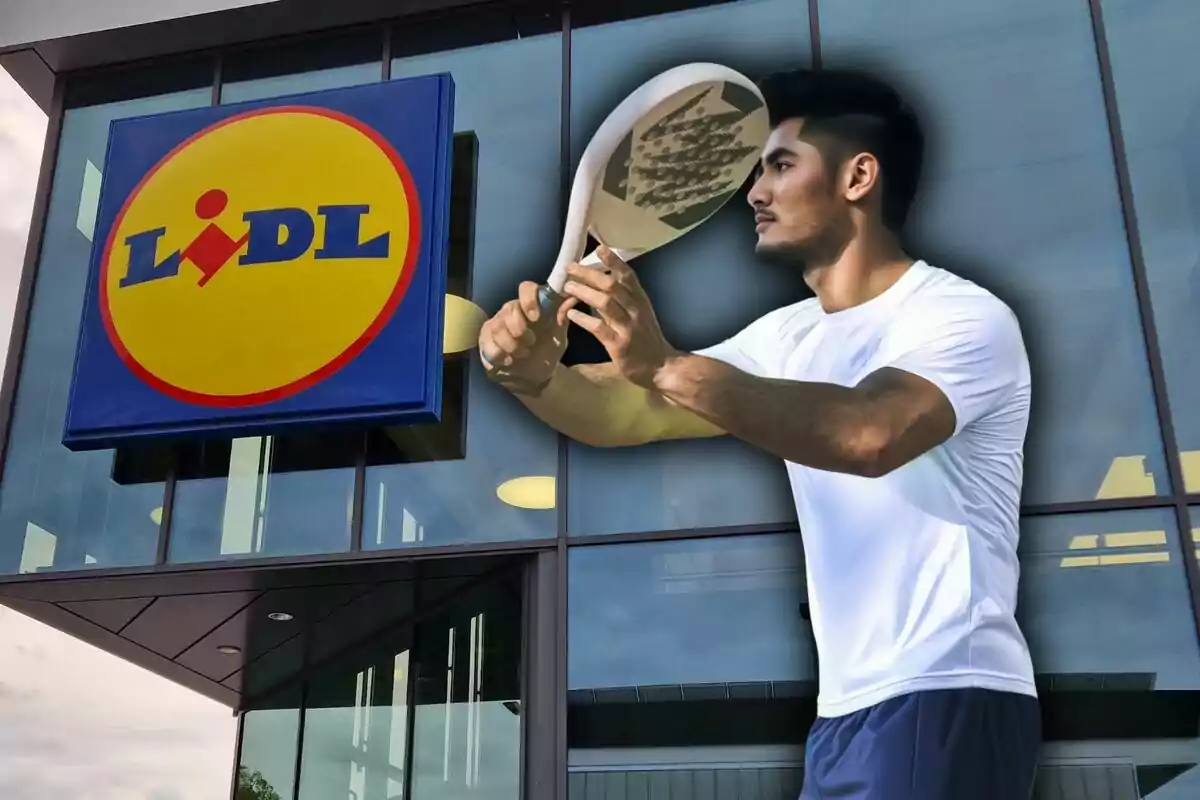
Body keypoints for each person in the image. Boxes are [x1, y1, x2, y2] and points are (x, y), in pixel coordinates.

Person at [478, 66, 1041, 800]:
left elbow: (870, 434)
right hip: (847, 712)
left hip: (946, 688)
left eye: (780, 165)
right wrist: (535, 378)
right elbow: (626, 411)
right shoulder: (786, 336)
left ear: (858, 176)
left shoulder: (961, 316)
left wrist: (665, 364)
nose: (755, 192)